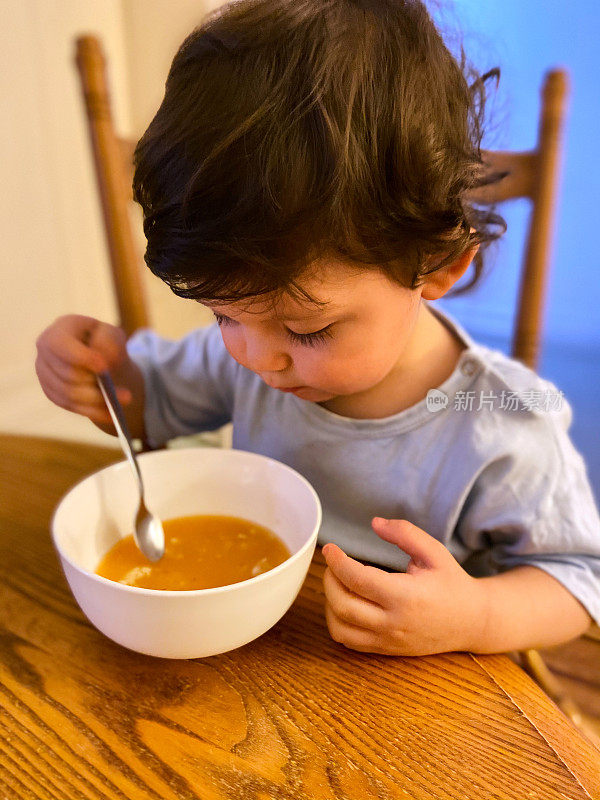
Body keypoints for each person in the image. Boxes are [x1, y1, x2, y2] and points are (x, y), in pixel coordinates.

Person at [36, 0, 600, 656]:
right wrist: (102, 376)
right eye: (223, 316)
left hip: (421, 695)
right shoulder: (249, 354)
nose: (257, 359)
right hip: (267, 657)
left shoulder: (500, 425)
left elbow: (579, 580)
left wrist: (475, 614)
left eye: (307, 331)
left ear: (438, 266)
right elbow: (145, 405)